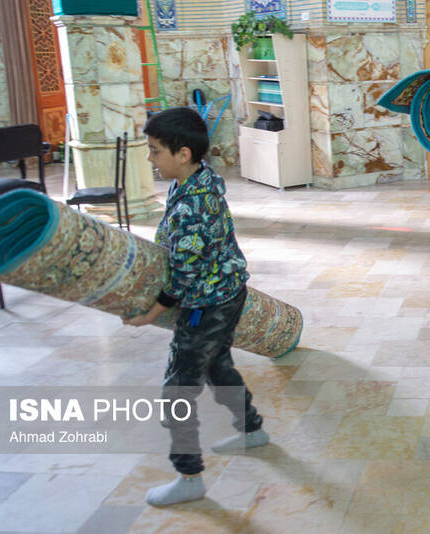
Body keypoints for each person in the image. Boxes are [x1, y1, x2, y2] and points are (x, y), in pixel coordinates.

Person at [123, 107, 269, 506]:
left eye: (155, 151)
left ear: (182, 154)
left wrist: (151, 314)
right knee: (217, 364)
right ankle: (252, 429)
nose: (150, 159)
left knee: (177, 389)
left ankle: (189, 478)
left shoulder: (191, 205)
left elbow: (183, 278)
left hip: (207, 303)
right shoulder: (199, 181)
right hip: (226, 293)